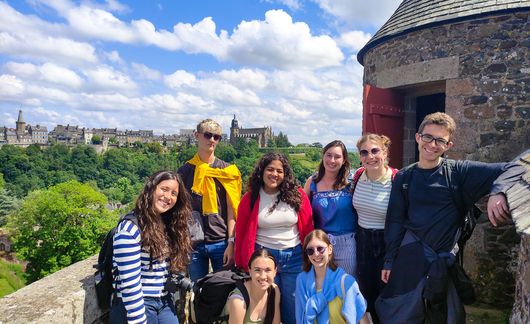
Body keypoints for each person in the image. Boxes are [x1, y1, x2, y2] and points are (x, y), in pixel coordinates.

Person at [378, 112, 526, 323]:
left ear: (449, 145)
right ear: (418, 137)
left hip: (442, 260)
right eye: (428, 137)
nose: (432, 144)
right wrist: (389, 260)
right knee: (401, 313)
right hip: (410, 256)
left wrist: (498, 191)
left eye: (440, 140)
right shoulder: (404, 177)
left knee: (444, 316)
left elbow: (518, 166)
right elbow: (394, 220)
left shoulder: (459, 172)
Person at [234, 152, 314, 324]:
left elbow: (308, 227)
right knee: (266, 305)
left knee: (293, 306)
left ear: (285, 174)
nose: (274, 174)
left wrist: (311, 256)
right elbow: (240, 230)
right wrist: (241, 260)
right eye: (270, 169)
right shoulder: (251, 197)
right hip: (264, 258)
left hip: (294, 257)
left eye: (279, 171)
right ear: (261, 171)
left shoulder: (297, 195)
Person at [110, 171, 192, 324]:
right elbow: (130, 286)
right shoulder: (130, 229)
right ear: (151, 189)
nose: (168, 197)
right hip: (138, 304)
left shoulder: (166, 225)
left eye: (174, 193)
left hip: (164, 301)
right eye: (164, 189)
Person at [178, 118, 242, 282]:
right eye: (207, 135)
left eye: (217, 137)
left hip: (221, 241)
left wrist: (231, 242)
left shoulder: (228, 171)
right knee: (197, 292)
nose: (212, 140)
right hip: (193, 243)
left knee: (223, 291)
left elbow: (232, 211)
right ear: (196, 135)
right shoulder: (185, 170)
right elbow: (179, 208)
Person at [351, 134, 397, 324]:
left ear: (385, 152)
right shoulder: (358, 175)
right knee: (367, 293)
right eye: (365, 152)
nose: (370, 156)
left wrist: (392, 258)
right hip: (362, 242)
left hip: (387, 242)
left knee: (386, 295)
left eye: (375, 150)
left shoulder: (396, 179)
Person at [303, 140, 357, 275]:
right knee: (323, 284)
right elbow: (302, 211)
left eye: (337, 156)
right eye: (328, 155)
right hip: (320, 244)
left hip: (347, 243)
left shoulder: (350, 183)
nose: (332, 160)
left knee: (346, 282)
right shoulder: (312, 182)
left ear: (344, 160)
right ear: (323, 155)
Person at [295, 229, 367, 324]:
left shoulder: (346, 282)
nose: (316, 254)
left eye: (320, 248)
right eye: (310, 251)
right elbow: (300, 318)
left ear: (329, 249)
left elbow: (361, 317)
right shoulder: (302, 281)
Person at [225, 249, 281, 324]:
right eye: (257, 270)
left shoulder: (274, 290)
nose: (263, 276)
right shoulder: (238, 302)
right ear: (250, 271)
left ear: (275, 272)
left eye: (268, 270)